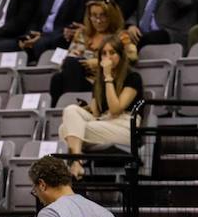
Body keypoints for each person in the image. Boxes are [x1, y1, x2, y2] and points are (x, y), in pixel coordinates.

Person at [58, 37, 144, 169]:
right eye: (104, 53)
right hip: (104, 122)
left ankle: (75, 163)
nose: (108, 57)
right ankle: (77, 162)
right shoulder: (99, 80)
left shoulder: (133, 77)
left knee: (68, 131)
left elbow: (116, 110)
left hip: (125, 126)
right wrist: (87, 109)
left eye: (112, 53)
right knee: (69, 112)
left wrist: (108, 77)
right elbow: (97, 113)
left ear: (121, 55)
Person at [50, 0, 137, 110]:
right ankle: (59, 111)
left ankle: (74, 105)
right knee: (58, 78)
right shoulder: (82, 35)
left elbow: (132, 58)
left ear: (111, 16)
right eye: (94, 15)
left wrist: (98, 62)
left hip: (101, 81)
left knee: (71, 66)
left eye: (102, 16)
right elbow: (69, 58)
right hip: (77, 75)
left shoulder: (121, 36)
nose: (98, 20)